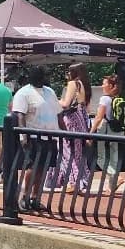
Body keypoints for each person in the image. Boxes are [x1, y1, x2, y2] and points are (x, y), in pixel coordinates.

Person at [11, 67, 53, 209]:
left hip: (49, 135)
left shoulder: (50, 92)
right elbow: (20, 115)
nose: (42, 79)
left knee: (43, 168)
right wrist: (24, 135)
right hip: (33, 136)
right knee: (32, 167)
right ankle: (25, 196)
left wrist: (64, 134)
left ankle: (35, 198)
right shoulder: (23, 93)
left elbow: (58, 113)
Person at [56, 63, 92, 192]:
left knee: (67, 150)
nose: (66, 75)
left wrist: (55, 100)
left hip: (71, 120)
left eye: (68, 72)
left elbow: (66, 104)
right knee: (78, 152)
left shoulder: (72, 84)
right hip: (80, 119)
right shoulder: (83, 84)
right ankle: (82, 180)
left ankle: (74, 182)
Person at [91, 71, 125, 191]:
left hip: (105, 128)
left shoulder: (104, 99)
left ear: (110, 86)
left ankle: (115, 177)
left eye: (104, 83)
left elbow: (99, 117)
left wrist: (91, 132)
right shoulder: (118, 98)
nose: (102, 86)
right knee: (114, 157)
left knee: (100, 158)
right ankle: (112, 185)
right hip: (117, 130)